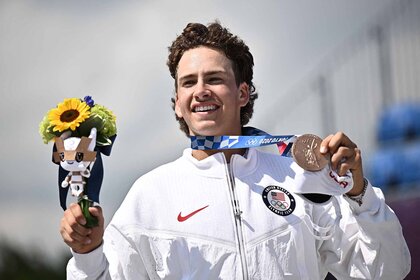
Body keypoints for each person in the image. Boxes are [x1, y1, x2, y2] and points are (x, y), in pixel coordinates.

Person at [60, 21, 411, 279]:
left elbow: (386, 271)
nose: (200, 91)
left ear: (242, 93)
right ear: (178, 104)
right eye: (188, 83)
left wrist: (361, 194)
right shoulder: (149, 196)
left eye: (214, 79)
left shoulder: (300, 178)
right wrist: (88, 253)